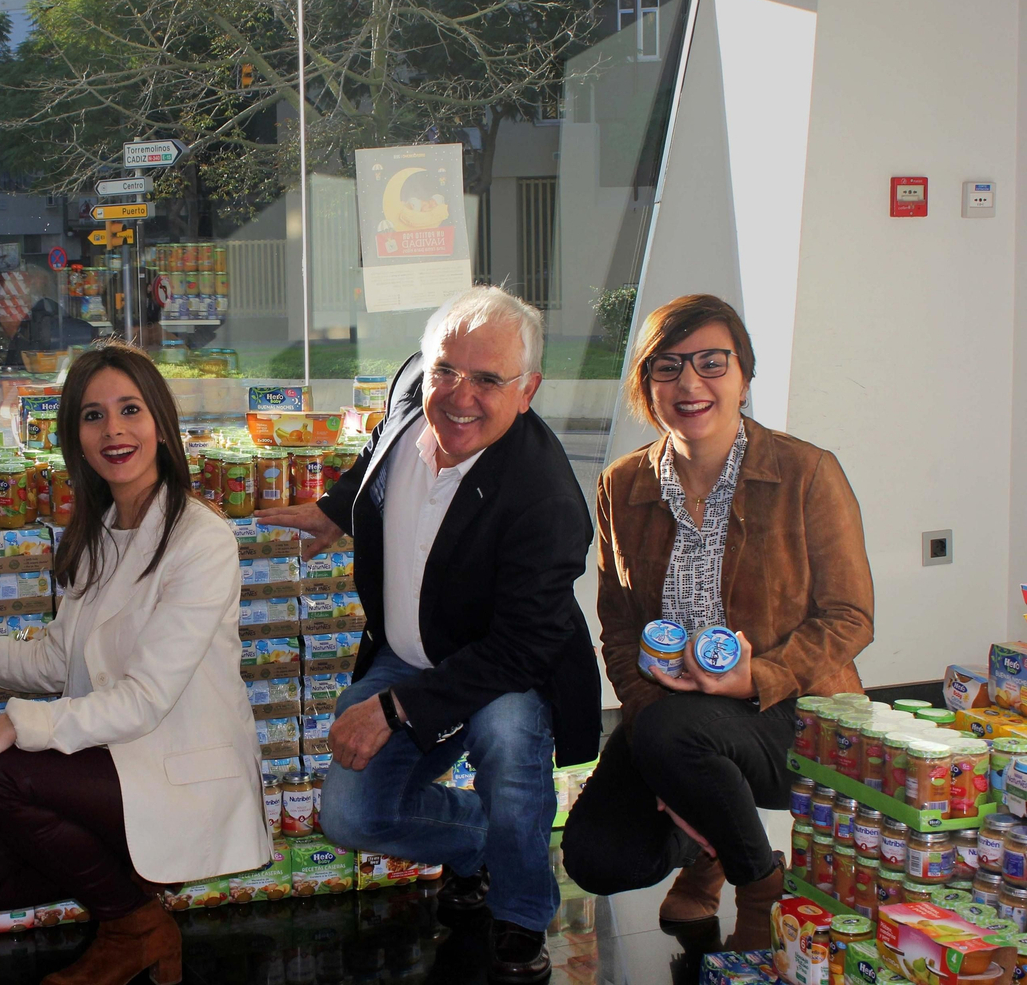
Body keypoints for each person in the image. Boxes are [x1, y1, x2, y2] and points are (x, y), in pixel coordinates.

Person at [257, 286, 600, 984]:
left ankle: (521, 912)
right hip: (407, 652)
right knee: (350, 818)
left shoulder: (545, 498)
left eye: (487, 380)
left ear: (527, 389)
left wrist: (393, 708)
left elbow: (525, 646)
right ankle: (490, 838)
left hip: (501, 667)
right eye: (448, 370)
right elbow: (379, 454)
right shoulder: (416, 387)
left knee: (508, 742)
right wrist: (337, 509)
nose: (459, 394)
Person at [0, 340, 267, 985]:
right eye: (93, 416)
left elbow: (148, 698)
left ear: (160, 422)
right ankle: (133, 909)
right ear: (75, 435)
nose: (114, 430)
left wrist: (15, 726)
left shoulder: (200, 538)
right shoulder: (100, 533)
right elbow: (52, 660)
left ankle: (132, 930)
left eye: (130, 409)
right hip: (116, 762)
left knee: (3, 776)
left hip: (177, 766)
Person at [559, 294, 873, 951]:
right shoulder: (622, 484)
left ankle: (759, 884)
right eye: (667, 366)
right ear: (646, 384)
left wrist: (757, 676)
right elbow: (618, 624)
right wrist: (648, 724)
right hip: (672, 717)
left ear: (744, 376)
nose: (690, 384)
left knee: (679, 733)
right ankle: (709, 837)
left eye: (711, 362)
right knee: (596, 859)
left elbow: (850, 617)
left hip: (795, 713)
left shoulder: (806, 472)